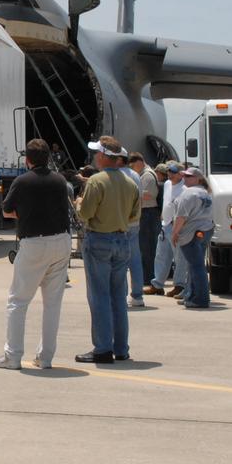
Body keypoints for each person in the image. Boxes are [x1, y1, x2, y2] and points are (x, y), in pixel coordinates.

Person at [0, 139, 73, 370]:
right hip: (61, 241)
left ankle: (13, 356)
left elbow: (7, 211)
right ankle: (45, 357)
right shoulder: (60, 180)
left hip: (35, 243)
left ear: (27, 159)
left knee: (18, 301)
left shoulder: (22, 181)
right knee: (52, 303)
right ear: (48, 157)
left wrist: (25, 214)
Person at [74, 136, 141, 364]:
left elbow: (86, 214)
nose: (94, 156)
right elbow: (134, 215)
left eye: (97, 153)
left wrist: (78, 204)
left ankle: (102, 348)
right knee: (118, 296)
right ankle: (121, 348)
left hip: (99, 239)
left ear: (104, 156)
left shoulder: (96, 181)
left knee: (99, 295)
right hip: (122, 240)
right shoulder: (131, 183)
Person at [171, 167, 215, 309]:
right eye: (184, 176)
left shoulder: (189, 193)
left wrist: (175, 233)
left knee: (196, 266)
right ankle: (191, 294)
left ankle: (200, 299)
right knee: (196, 265)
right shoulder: (205, 193)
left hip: (192, 232)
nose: (185, 178)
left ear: (198, 179)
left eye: (189, 176)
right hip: (205, 230)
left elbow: (181, 216)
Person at [115, 153, 146, 308]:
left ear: (119, 159)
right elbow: (140, 199)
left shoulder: (116, 174)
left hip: (119, 223)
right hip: (134, 222)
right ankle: (138, 295)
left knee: (119, 261)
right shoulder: (135, 175)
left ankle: (122, 295)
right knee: (135, 259)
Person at [150, 163, 186, 295]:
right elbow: (167, 201)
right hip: (166, 224)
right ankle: (158, 284)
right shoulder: (167, 184)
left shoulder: (185, 187)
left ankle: (179, 285)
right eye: (169, 171)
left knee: (179, 258)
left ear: (181, 173)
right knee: (161, 255)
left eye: (173, 171)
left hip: (178, 226)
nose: (170, 174)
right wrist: (163, 215)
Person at [132, 153, 160, 291]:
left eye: (133, 164)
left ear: (139, 162)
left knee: (147, 247)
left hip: (148, 213)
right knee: (146, 246)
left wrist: (133, 195)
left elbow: (149, 194)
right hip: (146, 213)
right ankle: (148, 275)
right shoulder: (143, 174)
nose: (132, 168)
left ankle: (148, 276)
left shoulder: (147, 175)